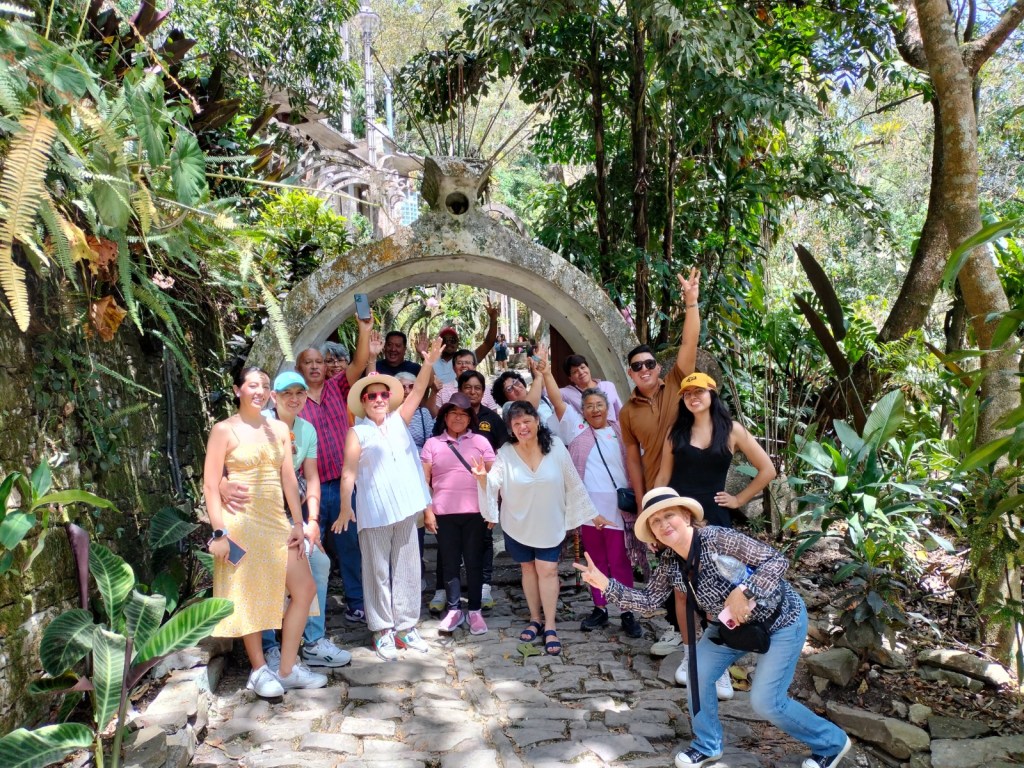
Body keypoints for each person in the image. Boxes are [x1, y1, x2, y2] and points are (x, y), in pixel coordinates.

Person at [576, 488, 852, 768]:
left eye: (668, 515)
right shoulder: (671, 562)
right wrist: (605, 585)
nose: (663, 524)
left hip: (781, 620)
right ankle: (707, 744)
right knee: (696, 674)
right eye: (655, 522)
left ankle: (831, 742)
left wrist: (745, 591)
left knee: (766, 702)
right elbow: (649, 602)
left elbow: (776, 560)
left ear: (686, 516)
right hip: (731, 627)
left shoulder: (717, 539)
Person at [203, 367, 326, 697]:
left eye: (264, 386)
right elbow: (211, 485)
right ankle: (259, 670)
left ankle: (286, 669)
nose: (258, 391)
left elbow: (289, 478)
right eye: (252, 385)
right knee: (250, 594)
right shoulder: (223, 430)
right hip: (240, 521)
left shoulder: (278, 429)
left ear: (271, 393)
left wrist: (298, 523)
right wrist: (219, 533)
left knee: (305, 588)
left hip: (276, 520)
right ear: (237, 390)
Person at [334, 338, 444, 660]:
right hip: (375, 512)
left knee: (409, 568)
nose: (379, 400)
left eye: (384, 394)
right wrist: (345, 507)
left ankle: (407, 628)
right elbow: (348, 474)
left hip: (406, 508)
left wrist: (429, 362)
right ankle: (383, 630)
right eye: (373, 396)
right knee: (378, 571)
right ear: (363, 402)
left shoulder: (399, 420)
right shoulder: (358, 433)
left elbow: (421, 388)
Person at [619, 267, 702, 673]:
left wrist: (690, 302)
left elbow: (690, 342)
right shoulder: (627, 411)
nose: (646, 369)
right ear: (631, 373)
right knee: (668, 561)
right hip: (656, 491)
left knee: (701, 555)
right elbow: (632, 457)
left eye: (650, 362)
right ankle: (676, 625)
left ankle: (708, 626)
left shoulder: (677, 384)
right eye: (638, 366)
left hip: (692, 484)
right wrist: (639, 500)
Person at [470, 400, 597, 656]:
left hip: (550, 522)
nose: (522, 427)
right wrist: (483, 478)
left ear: (537, 421)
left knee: (548, 571)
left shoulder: (556, 448)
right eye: (516, 423)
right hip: (517, 522)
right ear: (510, 428)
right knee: (528, 570)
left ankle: (550, 625)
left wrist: (589, 514)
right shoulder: (506, 451)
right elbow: (495, 480)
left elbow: (573, 481)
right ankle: (535, 618)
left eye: (526, 421)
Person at [537, 357, 644, 637]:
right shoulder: (577, 428)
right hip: (588, 507)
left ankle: (627, 609)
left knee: (619, 560)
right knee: (594, 558)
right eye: (589, 406)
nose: (595, 410)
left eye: (599, 405)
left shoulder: (620, 431)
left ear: (607, 408)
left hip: (619, 507)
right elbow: (559, 403)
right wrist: (547, 372)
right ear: (582, 411)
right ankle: (600, 607)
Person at [251, 372, 351, 670]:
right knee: (270, 569)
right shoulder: (260, 426)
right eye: (286, 393)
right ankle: (270, 645)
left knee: (318, 562)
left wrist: (314, 520)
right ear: (274, 397)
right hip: (263, 509)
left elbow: (311, 476)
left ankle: (313, 640)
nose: (293, 398)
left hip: (295, 508)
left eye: (299, 393)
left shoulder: (306, 430)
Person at [295, 318, 373, 624]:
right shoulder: (295, 399)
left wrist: (364, 330)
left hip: (342, 485)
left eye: (320, 362)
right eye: (309, 363)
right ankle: (311, 611)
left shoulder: (338, 387)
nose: (316, 367)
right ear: (299, 369)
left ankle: (356, 601)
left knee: (350, 546)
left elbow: (359, 362)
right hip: (309, 488)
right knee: (311, 550)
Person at [656, 372, 777, 528]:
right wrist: (654, 512)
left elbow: (768, 470)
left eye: (699, 391)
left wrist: (738, 500)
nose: (692, 397)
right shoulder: (675, 431)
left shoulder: (733, 430)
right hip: (678, 512)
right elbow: (663, 477)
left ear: (712, 393)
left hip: (715, 515)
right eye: (687, 394)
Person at [421, 393, 496, 634]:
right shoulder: (432, 444)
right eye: (453, 413)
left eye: (463, 414)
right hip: (444, 513)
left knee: (474, 563)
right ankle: (453, 610)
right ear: (444, 416)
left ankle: (474, 610)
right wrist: (428, 511)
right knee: (449, 563)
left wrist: (484, 480)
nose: (457, 418)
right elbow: (424, 481)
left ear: (470, 418)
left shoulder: (481, 442)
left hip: (476, 513)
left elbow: (495, 479)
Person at [433, 301, 499, 384]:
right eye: (445, 340)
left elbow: (488, 344)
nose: (449, 343)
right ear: (440, 343)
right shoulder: (432, 362)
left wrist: (493, 319)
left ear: (457, 343)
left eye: (452, 340)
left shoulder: (467, 359)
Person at [430, 349, 498, 414]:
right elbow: (434, 414)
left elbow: (494, 416)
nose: (464, 366)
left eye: (468, 362)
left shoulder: (486, 389)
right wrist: (433, 392)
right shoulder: (442, 390)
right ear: (453, 367)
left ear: (474, 366)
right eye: (459, 363)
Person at [559, 354, 624, 419]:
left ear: (588, 368)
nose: (581, 372)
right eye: (575, 371)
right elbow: (550, 393)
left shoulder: (608, 385)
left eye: (582, 367)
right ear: (571, 378)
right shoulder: (568, 393)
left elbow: (620, 412)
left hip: (614, 428)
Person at [492, 368, 557, 431]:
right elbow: (528, 408)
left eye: (515, 382)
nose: (516, 388)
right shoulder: (508, 407)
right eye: (509, 389)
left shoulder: (543, 399)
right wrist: (538, 377)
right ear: (504, 397)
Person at [397, 371, 435, 450]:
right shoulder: (389, 413)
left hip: (419, 458)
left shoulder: (423, 413)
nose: (407, 391)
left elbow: (431, 442)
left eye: (411, 386)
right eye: (402, 387)